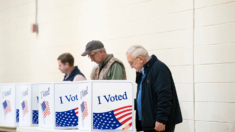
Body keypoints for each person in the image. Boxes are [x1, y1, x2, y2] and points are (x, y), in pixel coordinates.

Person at [126, 45, 182, 132]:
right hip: (148, 122)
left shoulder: (159, 68)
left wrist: (161, 119)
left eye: (131, 63)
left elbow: (165, 96)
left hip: (158, 124)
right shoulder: (143, 71)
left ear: (140, 59)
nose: (131, 66)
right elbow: (145, 98)